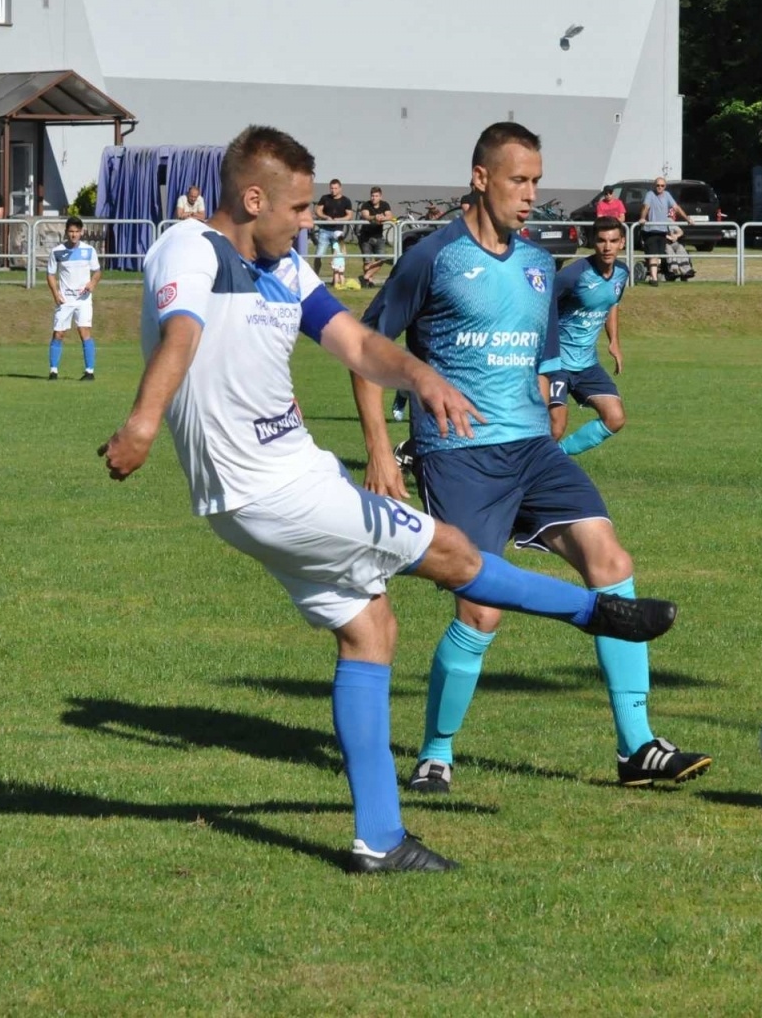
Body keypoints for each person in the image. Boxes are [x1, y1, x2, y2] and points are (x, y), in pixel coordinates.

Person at [98, 124, 679, 874]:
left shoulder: (282, 265)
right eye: (300, 207)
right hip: (266, 488)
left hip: (289, 476)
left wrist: (422, 377)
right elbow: (181, 328)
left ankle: (380, 840)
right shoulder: (189, 248)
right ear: (252, 198)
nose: (310, 220)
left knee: (371, 631)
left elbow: (356, 342)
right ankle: (595, 612)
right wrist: (142, 423)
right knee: (452, 553)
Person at [352, 122, 711, 796]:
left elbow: (544, 363)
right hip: (458, 455)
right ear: (481, 177)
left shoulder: (539, 267)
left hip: (531, 451)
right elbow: (365, 349)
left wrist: (554, 421)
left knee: (612, 563)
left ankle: (637, 748)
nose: (530, 194)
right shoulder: (433, 257)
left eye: (537, 181)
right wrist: (380, 450)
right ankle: (435, 754)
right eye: (519, 180)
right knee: (481, 610)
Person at [549, 217, 630, 456]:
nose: (607, 247)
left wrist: (614, 341)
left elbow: (611, 303)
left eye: (613, 241)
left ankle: (557, 457)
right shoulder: (572, 276)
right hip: (557, 363)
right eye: (602, 241)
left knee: (615, 418)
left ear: (622, 243)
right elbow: (541, 306)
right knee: (556, 427)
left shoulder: (621, 274)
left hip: (587, 365)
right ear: (593, 243)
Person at [47, 216, 102, 381]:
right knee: (59, 333)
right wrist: (56, 294)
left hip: (83, 299)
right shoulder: (57, 251)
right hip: (65, 300)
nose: (74, 235)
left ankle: (89, 371)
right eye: (71, 231)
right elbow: (50, 274)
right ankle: (53, 371)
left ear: (81, 232)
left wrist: (92, 283)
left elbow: (97, 271)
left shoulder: (89, 251)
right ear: (66, 232)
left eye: (77, 231)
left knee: (84, 331)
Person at [638, 176, 688, 285]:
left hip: (662, 231)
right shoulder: (650, 194)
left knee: (659, 255)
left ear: (665, 186)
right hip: (650, 230)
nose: (660, 187)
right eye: (658, 185)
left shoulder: (667, 195)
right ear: (654, 186)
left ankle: (662, 275)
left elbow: (676, 208)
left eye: (662, 186)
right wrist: (642, 218)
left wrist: (687, 219)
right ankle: (654, 278)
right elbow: (645, 207)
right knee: (653, 255)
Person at [312, 178, 352, 274]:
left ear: (340, 188)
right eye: (331, 188)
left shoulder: (346, 200)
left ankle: (337, 279)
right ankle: (315, 276)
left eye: (335, 188)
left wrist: (339, 220)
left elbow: (349, 215)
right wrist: (326, 217)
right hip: (324, 231)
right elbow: (318, 211)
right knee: (319, 255)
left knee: (338, 256)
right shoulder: (325, 198)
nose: (333, 190)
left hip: (338, 232)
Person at [357, 186, 393, 287]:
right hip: (365, 236)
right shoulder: (366, 205)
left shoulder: (385, 205)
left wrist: (382, 218)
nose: (374, 198)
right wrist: (374, 217)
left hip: (379, 236)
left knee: (381, 260)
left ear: (380, 197)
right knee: (367, 261)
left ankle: (365, 277)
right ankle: (369, 282)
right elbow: (366, 215)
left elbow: (390, 216)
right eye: (372, 196)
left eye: (376, 196)